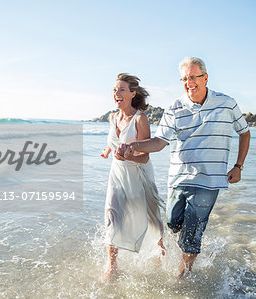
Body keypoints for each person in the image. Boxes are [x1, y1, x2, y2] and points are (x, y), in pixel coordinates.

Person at [117, 57, 251, 279]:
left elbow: (244, 132)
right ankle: (188, 247)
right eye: (184, 79)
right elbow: (159, 142)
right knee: (172, 222)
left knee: (192, 230)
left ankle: (185, 273)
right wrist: (135, 146)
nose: (189, 82)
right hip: (179, 178)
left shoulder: (227, 103)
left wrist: (238, 166)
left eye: (193, 77)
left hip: (210, 180)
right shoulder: (175, 107)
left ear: (205, 78)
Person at [101, 73, 165, 281]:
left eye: (121, 90)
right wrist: (108, 151)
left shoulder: (140, 118)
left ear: (132, 93)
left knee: (153, 221)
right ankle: (112, 267)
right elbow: (115, 140)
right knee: (112, 216)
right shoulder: (113, 117)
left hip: (139, 176)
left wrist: (130, 155)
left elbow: (145, 156)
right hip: (117, 176)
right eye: (114, 90)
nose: (116, 94)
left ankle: (161, 256)